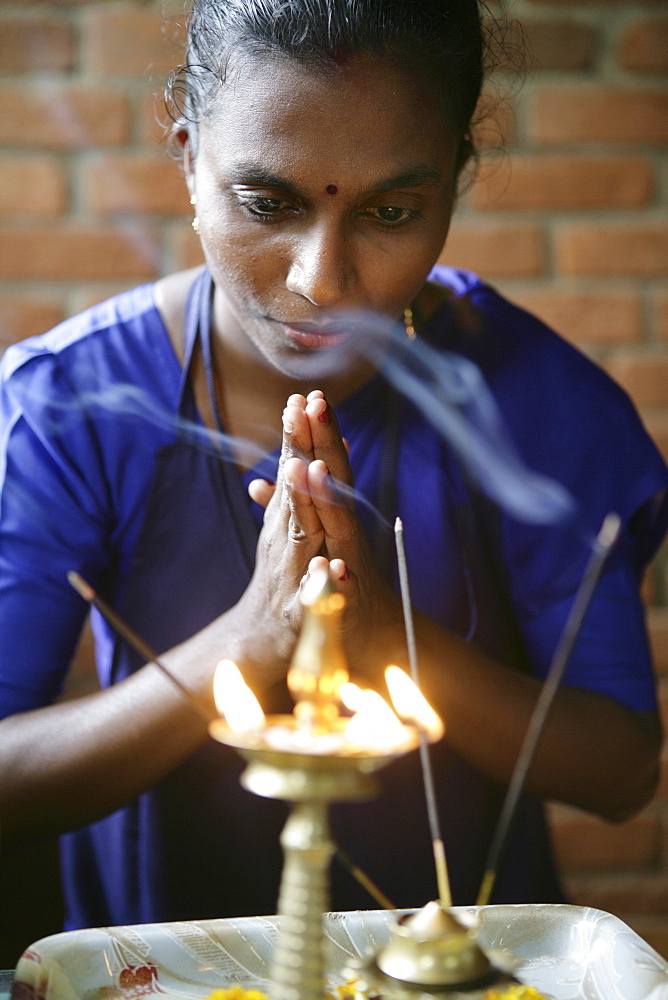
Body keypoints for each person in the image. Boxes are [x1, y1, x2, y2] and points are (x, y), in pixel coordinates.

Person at [0, 0, 666, 933]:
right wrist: (251, 636)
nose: (320, 277)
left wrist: (385, 635)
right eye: (266, 204)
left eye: (392, 211)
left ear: (456, 184)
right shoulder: (63, 406)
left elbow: (622, 771)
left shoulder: (545, 406)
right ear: (190, 157)